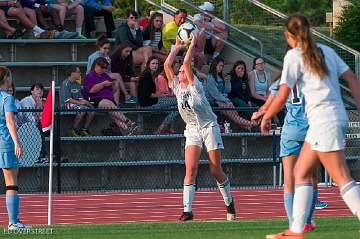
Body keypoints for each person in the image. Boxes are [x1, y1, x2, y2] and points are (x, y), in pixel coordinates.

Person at [261, 14, 360, 239]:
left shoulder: (294, 56)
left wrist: (267, 115)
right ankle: (296, 230)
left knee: (342, 178)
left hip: (323, 120)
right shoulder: (326, 50)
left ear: (288, 36)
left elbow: (283, 92)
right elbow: (352, 78)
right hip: (330, 118)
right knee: (301, 173)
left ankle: (296, 230)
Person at [164, 33, 236, 221]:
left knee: (215, 170)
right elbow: (166, 66)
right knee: (190, 169)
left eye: (181, 72)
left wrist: (193, 43)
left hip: (208, 125)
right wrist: (176, 48)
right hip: (192, 128)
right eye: (178, 72)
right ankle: (187, 211)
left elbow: (187, 65)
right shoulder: (178, 88)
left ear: (188, 76)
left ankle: (229, 204)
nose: (179, 73)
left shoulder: (196, 87)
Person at [252, 75, 327, 233]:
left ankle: (294, 224)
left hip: (291, 131)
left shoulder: (283, 80)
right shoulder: (313, 77)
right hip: (310, 131)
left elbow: (272, 102)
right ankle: (306, 221)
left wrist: (260, 114)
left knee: (289, 179)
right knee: (312, 177)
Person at [0, 67, 30, 230]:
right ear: (6, 79)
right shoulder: (7, 98)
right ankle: (13, 222)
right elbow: (10, 122)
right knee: (11, 184)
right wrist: (17, 143)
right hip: (5, 143)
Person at [84, 57, 139, 135]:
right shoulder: (90, 76)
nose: (104, 70)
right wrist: (103, 84)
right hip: (94, 99)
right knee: (109, 105)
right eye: (102, 67)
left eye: (105, 68)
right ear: (96, 65)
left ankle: (127, 129)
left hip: (108, 100)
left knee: (114, 114)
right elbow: (91, 90)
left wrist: (114, 86)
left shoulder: (105, 76)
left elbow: (113, 91)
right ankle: (128, 122)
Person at [205, 58, 254, 130]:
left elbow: (226, 91)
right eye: (220, 66)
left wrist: (227, 82)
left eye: (222, 66)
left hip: (222, 100)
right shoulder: (210, 77)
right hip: (213, 100)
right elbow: (215, 94)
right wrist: (227, 100)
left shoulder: (220, 77)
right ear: (214, 65)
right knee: (230, 110)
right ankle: (252, 123)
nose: (221, 68)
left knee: (233, 113)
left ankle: (246, 126)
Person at [87, 35, 136, 104]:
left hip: (104, 77)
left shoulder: (107, 57)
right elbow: (90, 72)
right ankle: (127, 95)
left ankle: (116, 105)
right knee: (117, 75)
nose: (107, 50)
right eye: (105, 48)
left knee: (116, 82)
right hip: (95, 78)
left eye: (108, 48)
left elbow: (109, 70)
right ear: (99, 47)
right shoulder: (94, 57)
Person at [137, 56, 178, 134]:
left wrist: (161, 94)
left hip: (152, 101)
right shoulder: (146, 75)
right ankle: (160, 129)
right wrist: (162, 95)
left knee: (175, 108)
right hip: (147, 104)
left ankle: (160, 129)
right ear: (148, 64)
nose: (155, 65)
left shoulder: (151, 75)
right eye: (153, 63)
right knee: (177, 101)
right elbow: (149, 94)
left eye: (156, 63)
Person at [60, 65, 95, 137]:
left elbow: (80, 98)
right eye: (78, 72)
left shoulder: (77, 84)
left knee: (92, 111)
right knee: (82, 110)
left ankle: (84, 129)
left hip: (76, 104)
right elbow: (67, 99)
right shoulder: (65, 84)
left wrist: (88, 104)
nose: (80, 74)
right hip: (66, 104)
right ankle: (72, 129)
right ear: (72, 73)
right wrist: (80, 103)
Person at [18, 83, 48, 163]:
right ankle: (42, 155)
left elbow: (42, 119)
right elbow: (31, 121)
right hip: (23, 127)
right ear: (32, 91)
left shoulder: (43, 101)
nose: (40, 91)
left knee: (52, 129)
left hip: (36, 125)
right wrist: (38, 105)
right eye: (37, 89)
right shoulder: (26, 101)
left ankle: (55, 155)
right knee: (39, 128)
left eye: (41, 89)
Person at [194, 1, 227, 68]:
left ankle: (214, 57)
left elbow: (223, 28)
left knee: (224, 34)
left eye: (204, 10)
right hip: (198, 42)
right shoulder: (197, 16)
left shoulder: (212, 19)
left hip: (209, 42)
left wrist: (211, 20)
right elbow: (198, 23)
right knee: (203, 31)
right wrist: (213, 28)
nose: (201, 11)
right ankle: (202, 56)